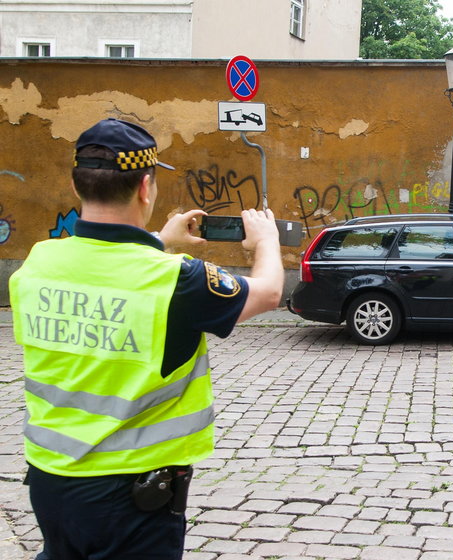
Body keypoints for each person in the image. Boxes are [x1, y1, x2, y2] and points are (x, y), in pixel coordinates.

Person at [8, 118, 283, 559]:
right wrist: (267, 241)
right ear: (145, 187)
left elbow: (104, 269)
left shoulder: (41, 260)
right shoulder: (176, 280)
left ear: (78, 185)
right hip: (131, 495)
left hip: (49, 481)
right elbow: (267, 293)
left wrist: (157, 240)